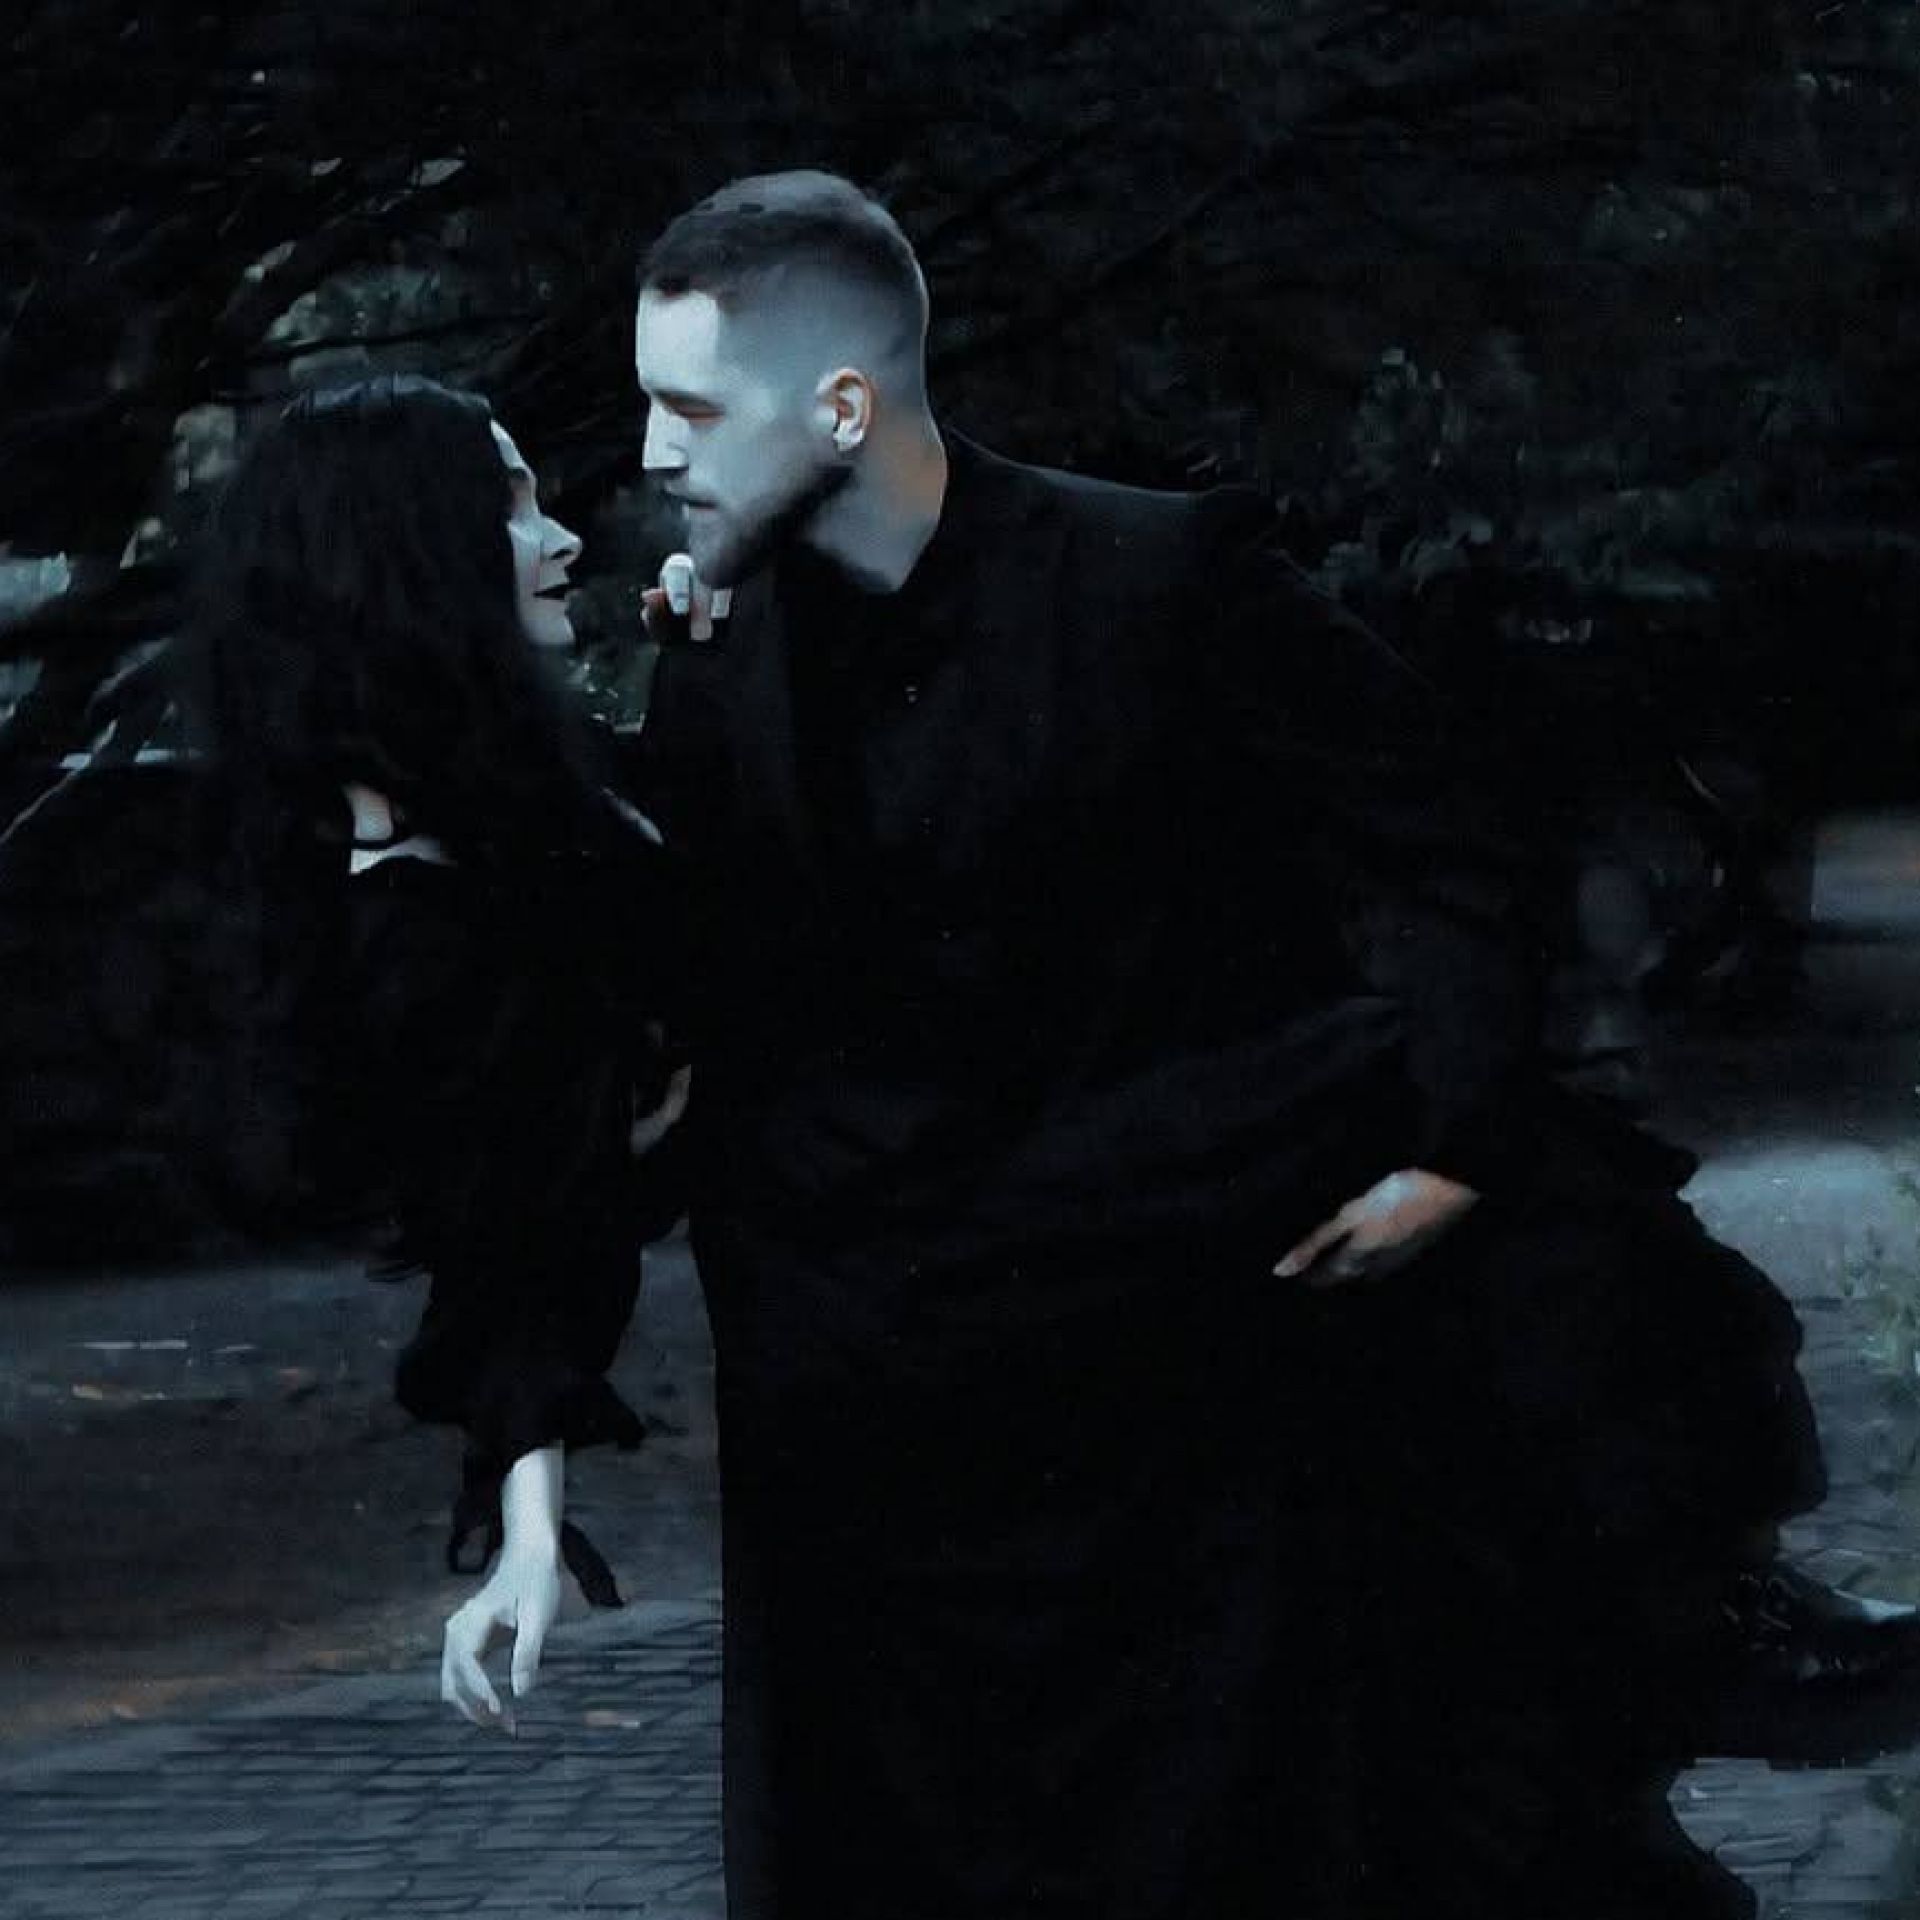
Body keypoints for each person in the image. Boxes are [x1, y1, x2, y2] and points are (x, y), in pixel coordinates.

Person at [608, 171, 1919, 1920]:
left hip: (1187, 1355)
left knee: (1286, 1824)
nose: (653, 452)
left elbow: (1441, 846)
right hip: (898, 1407)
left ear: (844, 404)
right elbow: (716, 985)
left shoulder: (1154, 578)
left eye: (692, 408)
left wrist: (1451, 1144)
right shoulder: (717, 657)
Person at [183, 374, 688, 1729]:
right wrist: (531, 1527)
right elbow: (505, 1236)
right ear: (413, 555)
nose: (561, 535)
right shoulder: (416, 910)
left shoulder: (512, 800)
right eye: (511, 507)